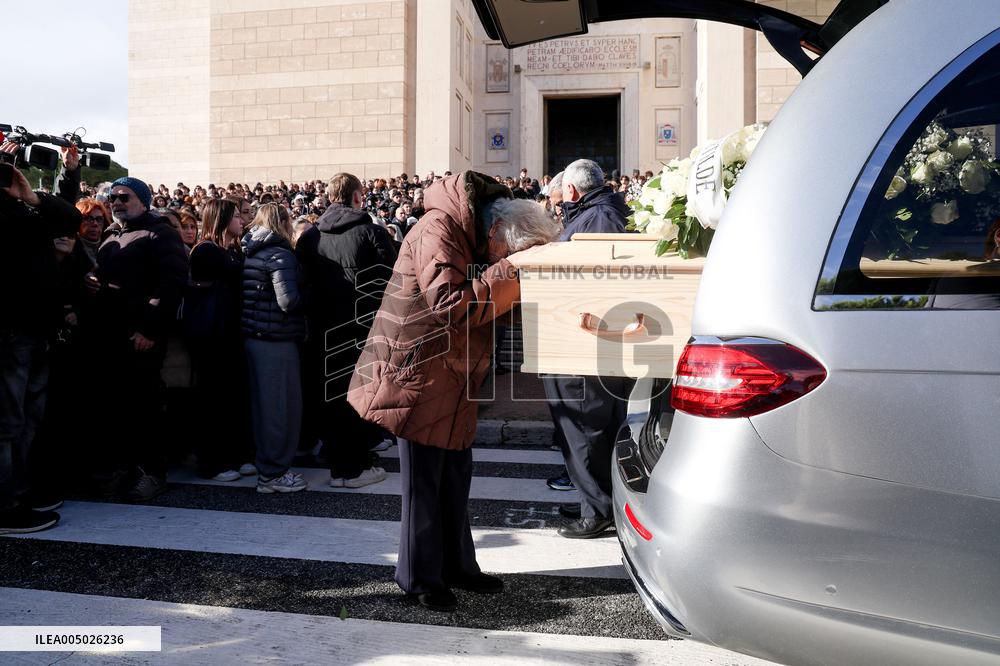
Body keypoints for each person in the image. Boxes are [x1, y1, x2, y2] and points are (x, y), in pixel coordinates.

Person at [348, 172, 559, 612]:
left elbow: (484, 301)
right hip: (417, 371)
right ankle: (419, 578)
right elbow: (449, 301)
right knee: (424, 482)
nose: (504, 257)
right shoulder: (438, 228)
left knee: (454, 476)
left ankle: (458, 566)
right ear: (498, 231)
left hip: (449, 371)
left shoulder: (470, 234)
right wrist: (508, 270)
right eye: (510, 251)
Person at [542, 159, 635, 539]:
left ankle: (596, 510)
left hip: (587, 341)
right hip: (591, 340)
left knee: (586, 428)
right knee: (595, 427)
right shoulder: (602, 213)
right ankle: (594, 500)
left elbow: (591, 282)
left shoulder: (598, 219)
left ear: (573, 191)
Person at [89, 176, 189, 502]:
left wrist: (150, 330)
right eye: (112, 197)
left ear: (143, 201)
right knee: (117, 407)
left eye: (124, 196)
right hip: (110, 335)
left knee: (146, 407)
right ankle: (122, 469)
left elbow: (172, 284)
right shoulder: (109, 235)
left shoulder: (161, 233)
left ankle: (152, 473)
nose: (116, 202)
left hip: (142, 336)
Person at [297, 173, 398, 489]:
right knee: (359, 397)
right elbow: (391, 284)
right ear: (357, 197)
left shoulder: (308, 238)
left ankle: (340, 463)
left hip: (320, 328)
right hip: (361, 329)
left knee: (330, 397)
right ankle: (353, 468)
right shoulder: (371, 233)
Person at [0, 156, 80, 533]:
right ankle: (6, 504)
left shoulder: (22, 211)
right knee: (7, 423)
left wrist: (32, 198)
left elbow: (71, 220)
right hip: (11, 333)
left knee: (28, 421)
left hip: (35, 331)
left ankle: (20, 491)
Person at [241, 203, 308, 494]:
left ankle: (269, 467)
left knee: (265, 408)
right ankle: (273, 474)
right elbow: (287, 301)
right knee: (279, 409)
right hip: (275, 339)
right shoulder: (280, 254)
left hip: (256, 336)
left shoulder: (252, 249)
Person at [186, 198, 253, 482]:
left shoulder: (232, 251)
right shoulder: (206, 252)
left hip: (231, 334)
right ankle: (211, 463)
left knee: (233, 398)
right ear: (223, 220)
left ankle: (236, 456)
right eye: (236, 216)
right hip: (211, 336)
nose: (242, 221)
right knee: (213, 400)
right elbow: (234, 275)